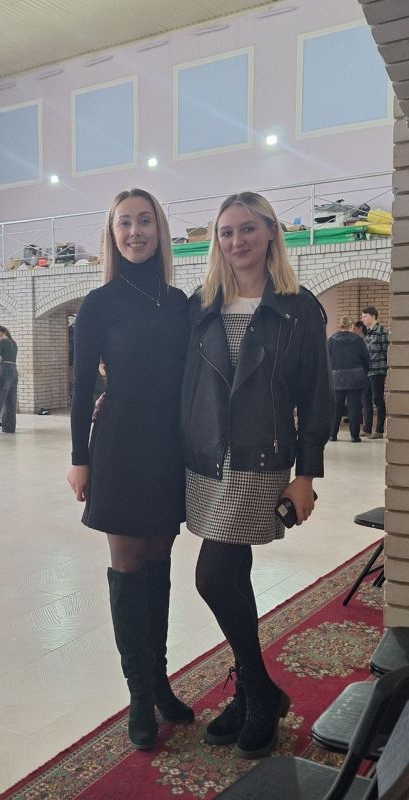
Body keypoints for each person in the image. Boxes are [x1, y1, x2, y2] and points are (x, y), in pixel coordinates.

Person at [181, 192, 332, 759]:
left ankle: (258, 690)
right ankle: (255, 691)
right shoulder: (202, 303)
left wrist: (306, 474)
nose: (237, 241)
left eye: (248, 229)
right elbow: (183, 381)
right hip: (205, 458)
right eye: (226, 232)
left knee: (212, 575)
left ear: (270, 232)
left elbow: (316, 395)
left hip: (259, 458)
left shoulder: (297, 306)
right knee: (232, 569)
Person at [67, 188, 193, 751]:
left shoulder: (180, 301)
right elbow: (80, 388)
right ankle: (139, 695)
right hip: (118, 443)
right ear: (112, 234)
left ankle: (160, 680)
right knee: (127, 563)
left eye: (145, 221)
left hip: (168, 445)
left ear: (159, 230)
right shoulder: (98, 303)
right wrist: (79, 457)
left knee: (159, 561)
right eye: (125, 223)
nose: (135, 231)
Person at [328, 316, 370, 443]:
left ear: (340, 326)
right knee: (354, 407)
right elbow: (366, 359)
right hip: (355, 377)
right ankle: (354, 436)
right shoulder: (358, 340)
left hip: (337, 378)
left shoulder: (331, 340)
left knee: (336, 407)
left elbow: (326, 359)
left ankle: (333, 435)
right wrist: (363, 372)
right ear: (351, 326)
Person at [361, 305, 388, 439]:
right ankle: (367, 429)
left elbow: (387, 352)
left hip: (377, 371)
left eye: (365, 316)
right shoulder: (367, 332)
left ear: (373, 316)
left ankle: (379, 430)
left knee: (377, 399)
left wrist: (386, 370)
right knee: (366, 399)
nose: (362, 319)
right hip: (367, 371)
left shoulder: (382, 331)